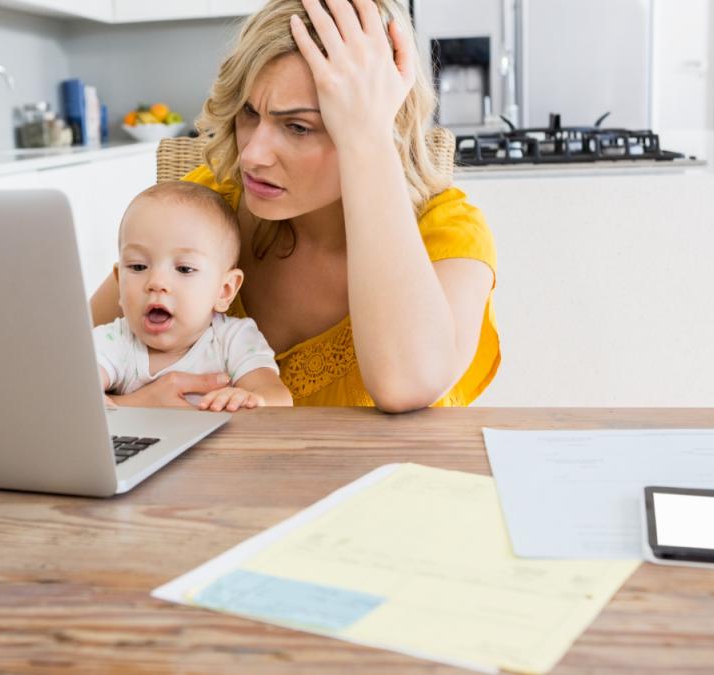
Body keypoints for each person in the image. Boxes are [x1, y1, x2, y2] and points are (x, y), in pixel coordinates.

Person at [91, 0, 499, 413]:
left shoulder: (447, 231)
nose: (252, 155)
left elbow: (405, 386)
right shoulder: (205, 208)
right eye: (250, 113)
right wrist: (135, 405)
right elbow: (63, 359)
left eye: (298, 127)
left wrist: (369, 138)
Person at [94, 181, 293, 412]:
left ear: (225, 290)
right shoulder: (115, 341)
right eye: (138, 267)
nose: (156, 283)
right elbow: (73, 390)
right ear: (119, 282)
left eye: (184, 269)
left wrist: (252, 399)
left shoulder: (232, 340)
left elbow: (278, 396)